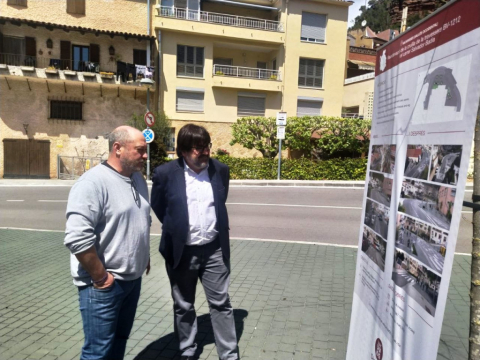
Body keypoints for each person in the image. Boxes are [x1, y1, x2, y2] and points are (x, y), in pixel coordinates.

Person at [151, 124, 238, 360]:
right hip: (182, 252)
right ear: (183, 150)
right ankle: (187, 351)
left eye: (206, 146)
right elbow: (159, 207)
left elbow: (221, 203)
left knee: (221, 304)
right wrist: (178, 229)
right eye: (197, 148)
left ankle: (229, 354)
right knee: (184, 305)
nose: (204, 152)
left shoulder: (220, 170)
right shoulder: (165, 173)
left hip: (214, 250)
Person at [64, 126, 151, 360]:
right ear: (117, 148)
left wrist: (144, 255)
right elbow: (77, 237)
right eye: (140, 150)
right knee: (97, 352)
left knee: (119, 343)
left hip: (132, 280)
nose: (145, 156)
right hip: (103, 286)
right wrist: (101, 277)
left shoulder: (137, 178)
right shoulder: (92, 183)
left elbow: (140, 219)